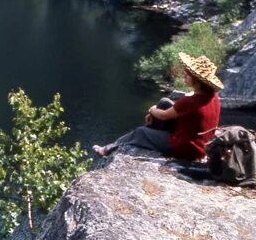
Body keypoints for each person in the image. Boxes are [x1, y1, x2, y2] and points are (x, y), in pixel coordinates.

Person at [93, 53, 223, 160]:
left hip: (186, 148)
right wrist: (156, 109)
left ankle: (107, 149)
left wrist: (152, 110)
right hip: (201, 144)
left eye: (187, 74)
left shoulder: (191, 101)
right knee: (164, 102)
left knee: (140, 132)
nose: (184, 75)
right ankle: (153, 133)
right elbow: (174, 110)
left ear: (197, 80)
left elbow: (164, 115)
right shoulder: (213, 97)